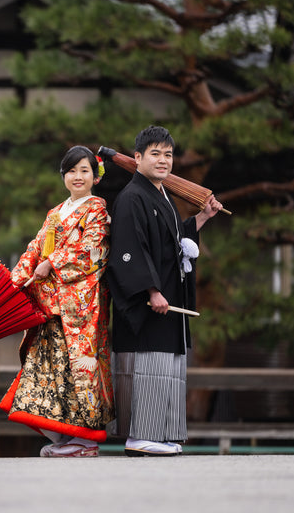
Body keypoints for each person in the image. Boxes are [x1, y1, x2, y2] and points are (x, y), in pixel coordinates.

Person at [106, 125, 221, 457]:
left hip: (166, 301)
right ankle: (140, 434)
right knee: (147, 367)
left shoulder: (161, 196)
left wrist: (200, 218)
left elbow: (170, 244)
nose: (163, 160)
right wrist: (152, 290)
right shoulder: (131, 197)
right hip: (148, 305)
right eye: (155, 154)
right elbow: (129, 252)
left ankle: (155, 433)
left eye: (168, 154)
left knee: (164, 370)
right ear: (138, 157)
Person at [0, 145, 114, 457]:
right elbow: (36, 247)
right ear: (64, 175)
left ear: (95, 176)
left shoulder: (97, 212)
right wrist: (15, 280)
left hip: (79, 306)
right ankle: (64, 439)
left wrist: (53, 263)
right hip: (51, 305)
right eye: (71, 170)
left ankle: (87, 440)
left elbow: (93, 253)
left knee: (78, 367)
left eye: (84, 170)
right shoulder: (55, 213)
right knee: (50, 368)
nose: (77, 176)